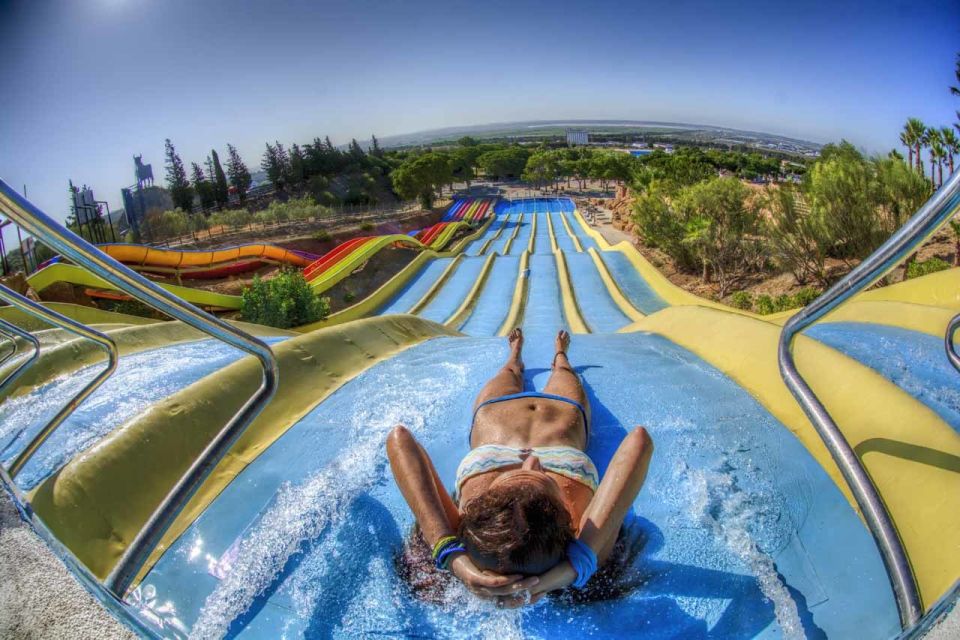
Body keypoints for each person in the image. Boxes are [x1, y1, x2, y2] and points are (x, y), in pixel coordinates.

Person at [387, 328, 654, 607]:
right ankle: (560, 353)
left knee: (510, 369)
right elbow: (639, 441)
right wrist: (577, 565)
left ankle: (516, 352)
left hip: (495, 408)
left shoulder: (470, 530)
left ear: (481, 508)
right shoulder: (580, 538)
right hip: (563, 408)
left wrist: (450, 555)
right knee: (563, 370)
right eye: (544, 476)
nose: (532, 459)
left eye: (513, 475)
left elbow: (399, 440)